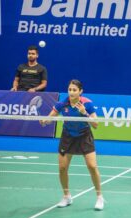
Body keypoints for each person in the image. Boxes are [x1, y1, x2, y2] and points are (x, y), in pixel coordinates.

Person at [40, 79, 104, 210]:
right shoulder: (63, 103)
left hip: (84, 136)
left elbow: (96, 124)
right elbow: (50, 117)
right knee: (62, 168)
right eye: (70, 89)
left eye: (74, 90)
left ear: (80, 91)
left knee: (92, 166)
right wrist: (44, 121)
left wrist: (84, 113)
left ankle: (99, 197)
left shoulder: (87, 103)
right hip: (68, 136)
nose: (71, 92)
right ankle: (66, 196)